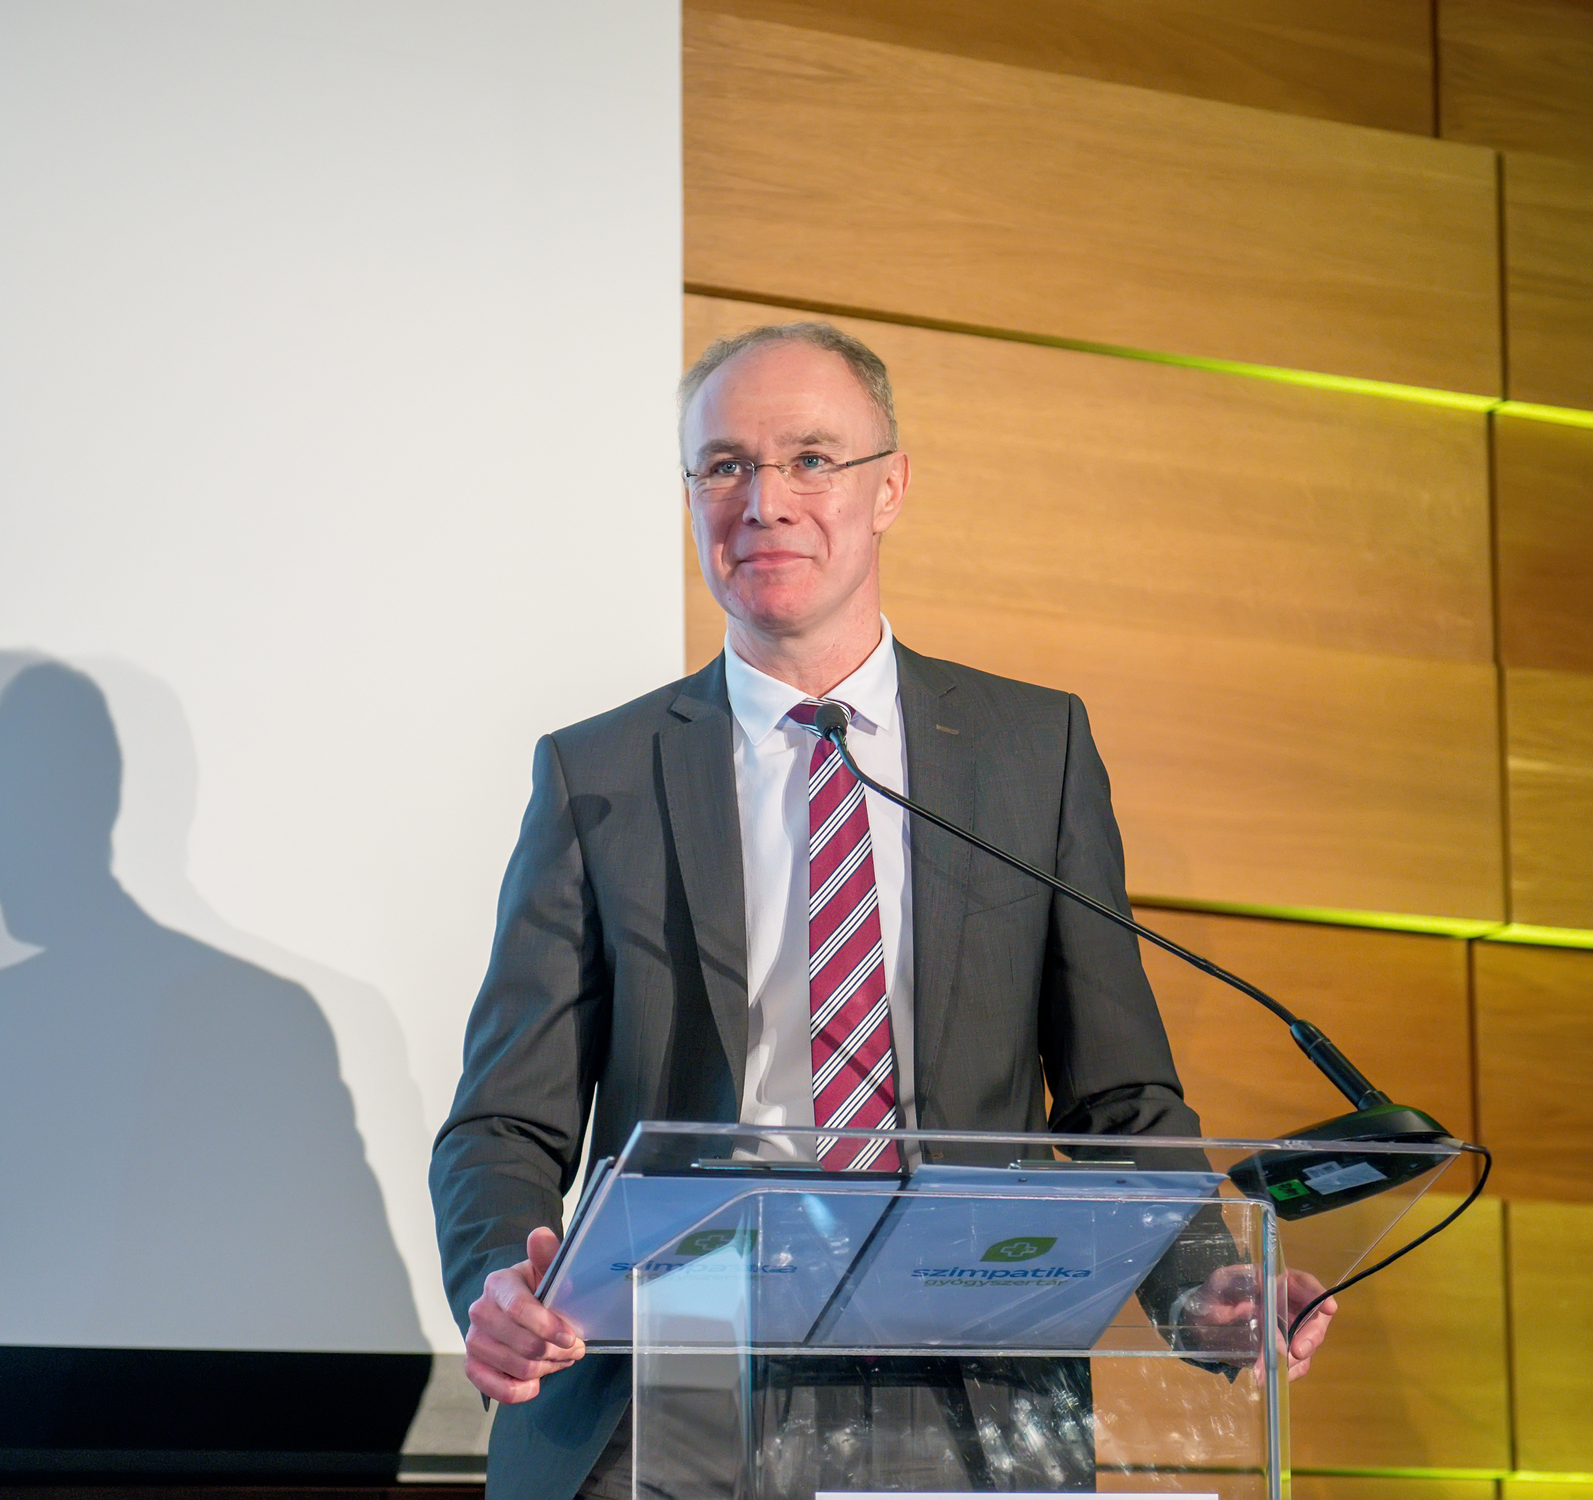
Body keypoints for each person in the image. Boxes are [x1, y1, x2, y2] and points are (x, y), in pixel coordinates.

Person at [430, 323, 1334, 1500]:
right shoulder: (599, 772)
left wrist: (1206, 1283)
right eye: (723, 466)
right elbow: (505, 1120)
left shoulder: (1031, 751)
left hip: (966, 1353)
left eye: (811, 459)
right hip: (684, 1340)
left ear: (890, 488)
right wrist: (505, 1276)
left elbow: (1120, 1098)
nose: (763, 501)